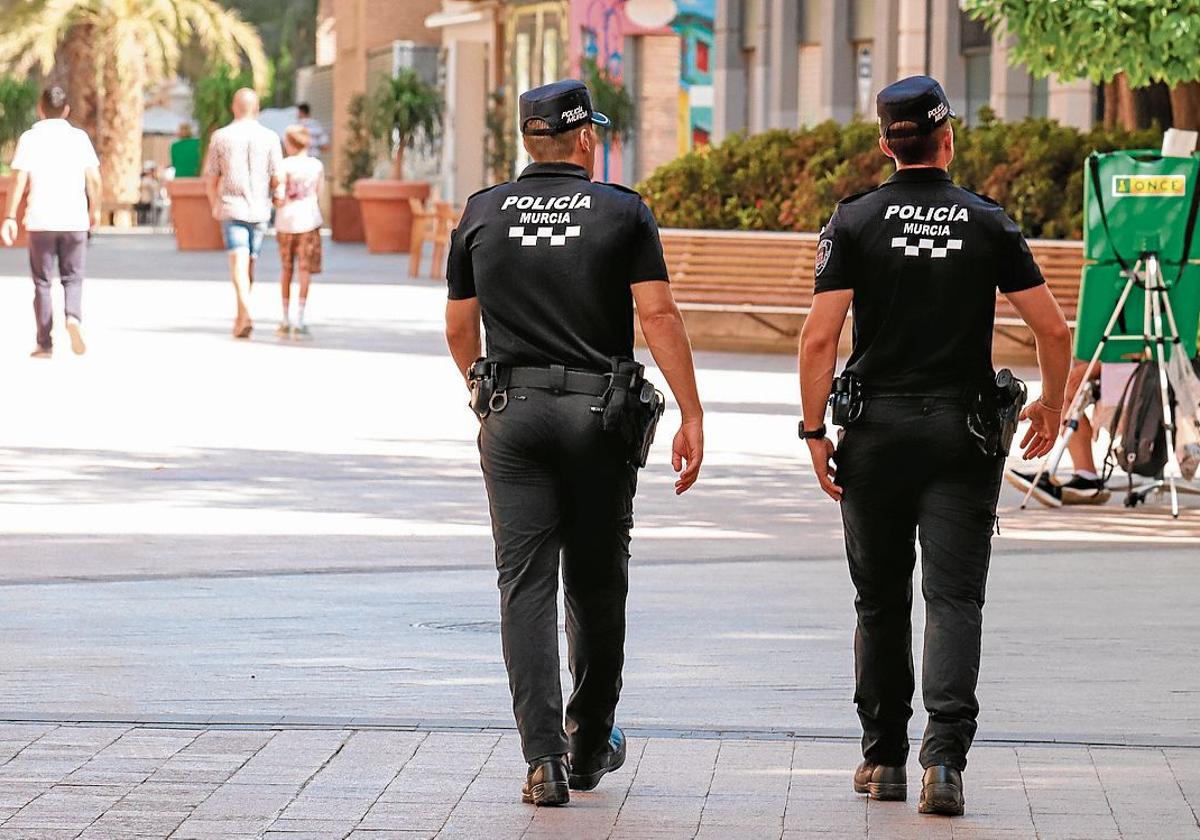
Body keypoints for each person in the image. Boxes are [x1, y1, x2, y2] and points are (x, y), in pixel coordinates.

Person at [798, 76, 1071, 817]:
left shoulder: (853, 220)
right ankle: (943, 765)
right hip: (962, 434)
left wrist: (816, 431)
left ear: (887, 145)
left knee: (879, 600)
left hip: (875, 434)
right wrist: (1051, 402)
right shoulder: (987, 222)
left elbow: (820, 337)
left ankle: (883, 758)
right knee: (954, 599)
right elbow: (1052, 329)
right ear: (948, 139)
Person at [444, 79, 704, 807]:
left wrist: (486, 397)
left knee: (523, 585)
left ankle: (542, 760)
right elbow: (658, 314)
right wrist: (691, 411)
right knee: (596, 581)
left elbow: (460, 330)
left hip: (514, 414)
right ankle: (589, 744)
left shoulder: (482, 212)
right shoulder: (622, 211)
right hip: (599, 416)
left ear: (530, 138)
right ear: (585, 136)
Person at [1, 85, 101, 358]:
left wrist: (9, 217)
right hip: (75, 219)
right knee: (73, 278)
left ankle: (44, 344)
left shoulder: (30, 139)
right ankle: (73, 318)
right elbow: (94, 179)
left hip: (40, 220)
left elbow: (18, 180)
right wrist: (96, 211)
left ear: (40, 109)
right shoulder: (79, 138)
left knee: (42, 283)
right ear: (66, 110)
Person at [204, 88, 283, 339]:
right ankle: (242, 316)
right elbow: (278, 176)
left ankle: (244, 313)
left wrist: (213, 203)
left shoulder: (221, 136)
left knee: (238, 262)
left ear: (233, 107)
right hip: (260, 209)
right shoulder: (270, 137)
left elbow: (211, 175)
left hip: (231, 205)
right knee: (249, 262)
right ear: (256, 108)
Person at [1005, 359, 1111, 505]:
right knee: (1070, 384)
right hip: (1128, 367)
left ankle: (1086, 475)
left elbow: (1057, 337)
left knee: (1067, 388)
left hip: (1135, 368)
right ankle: (1086, 476)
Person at [274, 124, 324, 338]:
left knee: (286, 269)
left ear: (289, 143)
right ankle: (300, 319)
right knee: (304, 270)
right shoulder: (316, 166)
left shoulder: (283, 166)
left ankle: (285, 318)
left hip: (285, 222)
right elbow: (319, 193)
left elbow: (278, 195)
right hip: (309, 222)